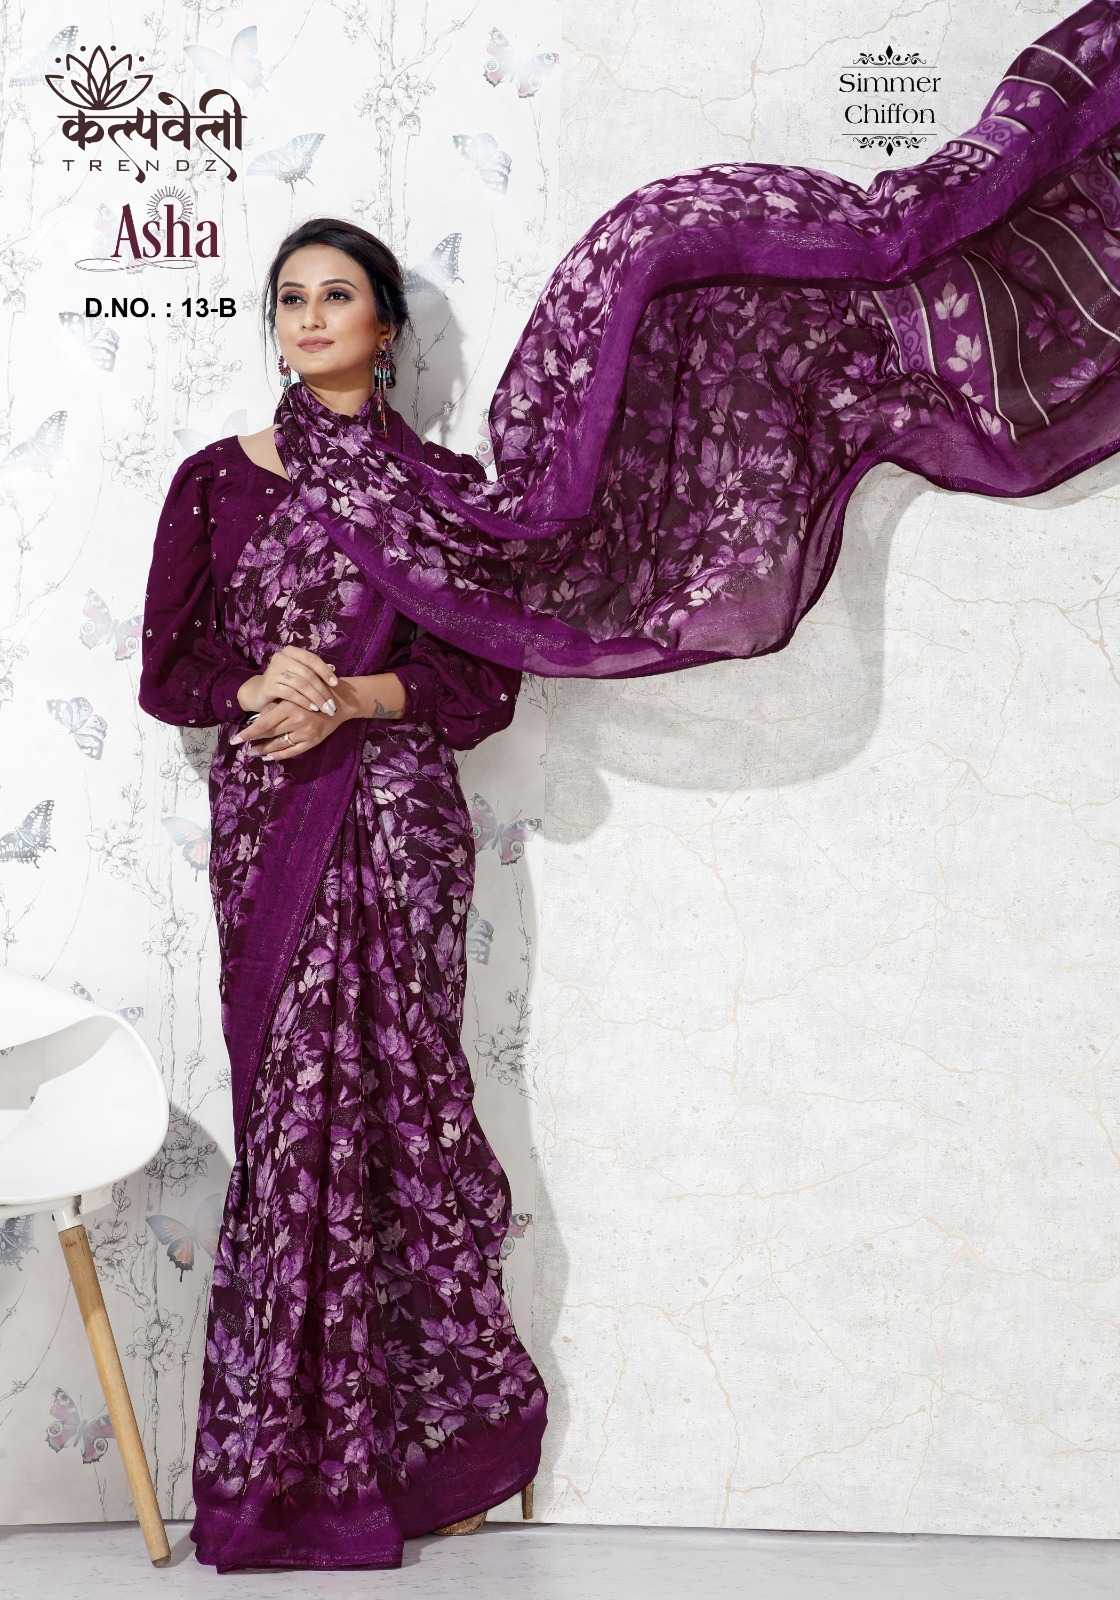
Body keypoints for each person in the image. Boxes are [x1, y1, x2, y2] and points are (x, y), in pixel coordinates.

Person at [139, 222, 545, 1572]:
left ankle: (431, 1462)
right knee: (296, 1123)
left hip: (400, 826)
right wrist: (261, 682)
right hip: (273, 825)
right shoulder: (216, 482)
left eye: (338, 296)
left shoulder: (443, 492)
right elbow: (170, 673)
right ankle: (288, 1472)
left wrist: (355, 697)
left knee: (407, 1120)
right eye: (290, 299)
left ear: (386, 327)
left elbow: (482, 683)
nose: (310, 317)